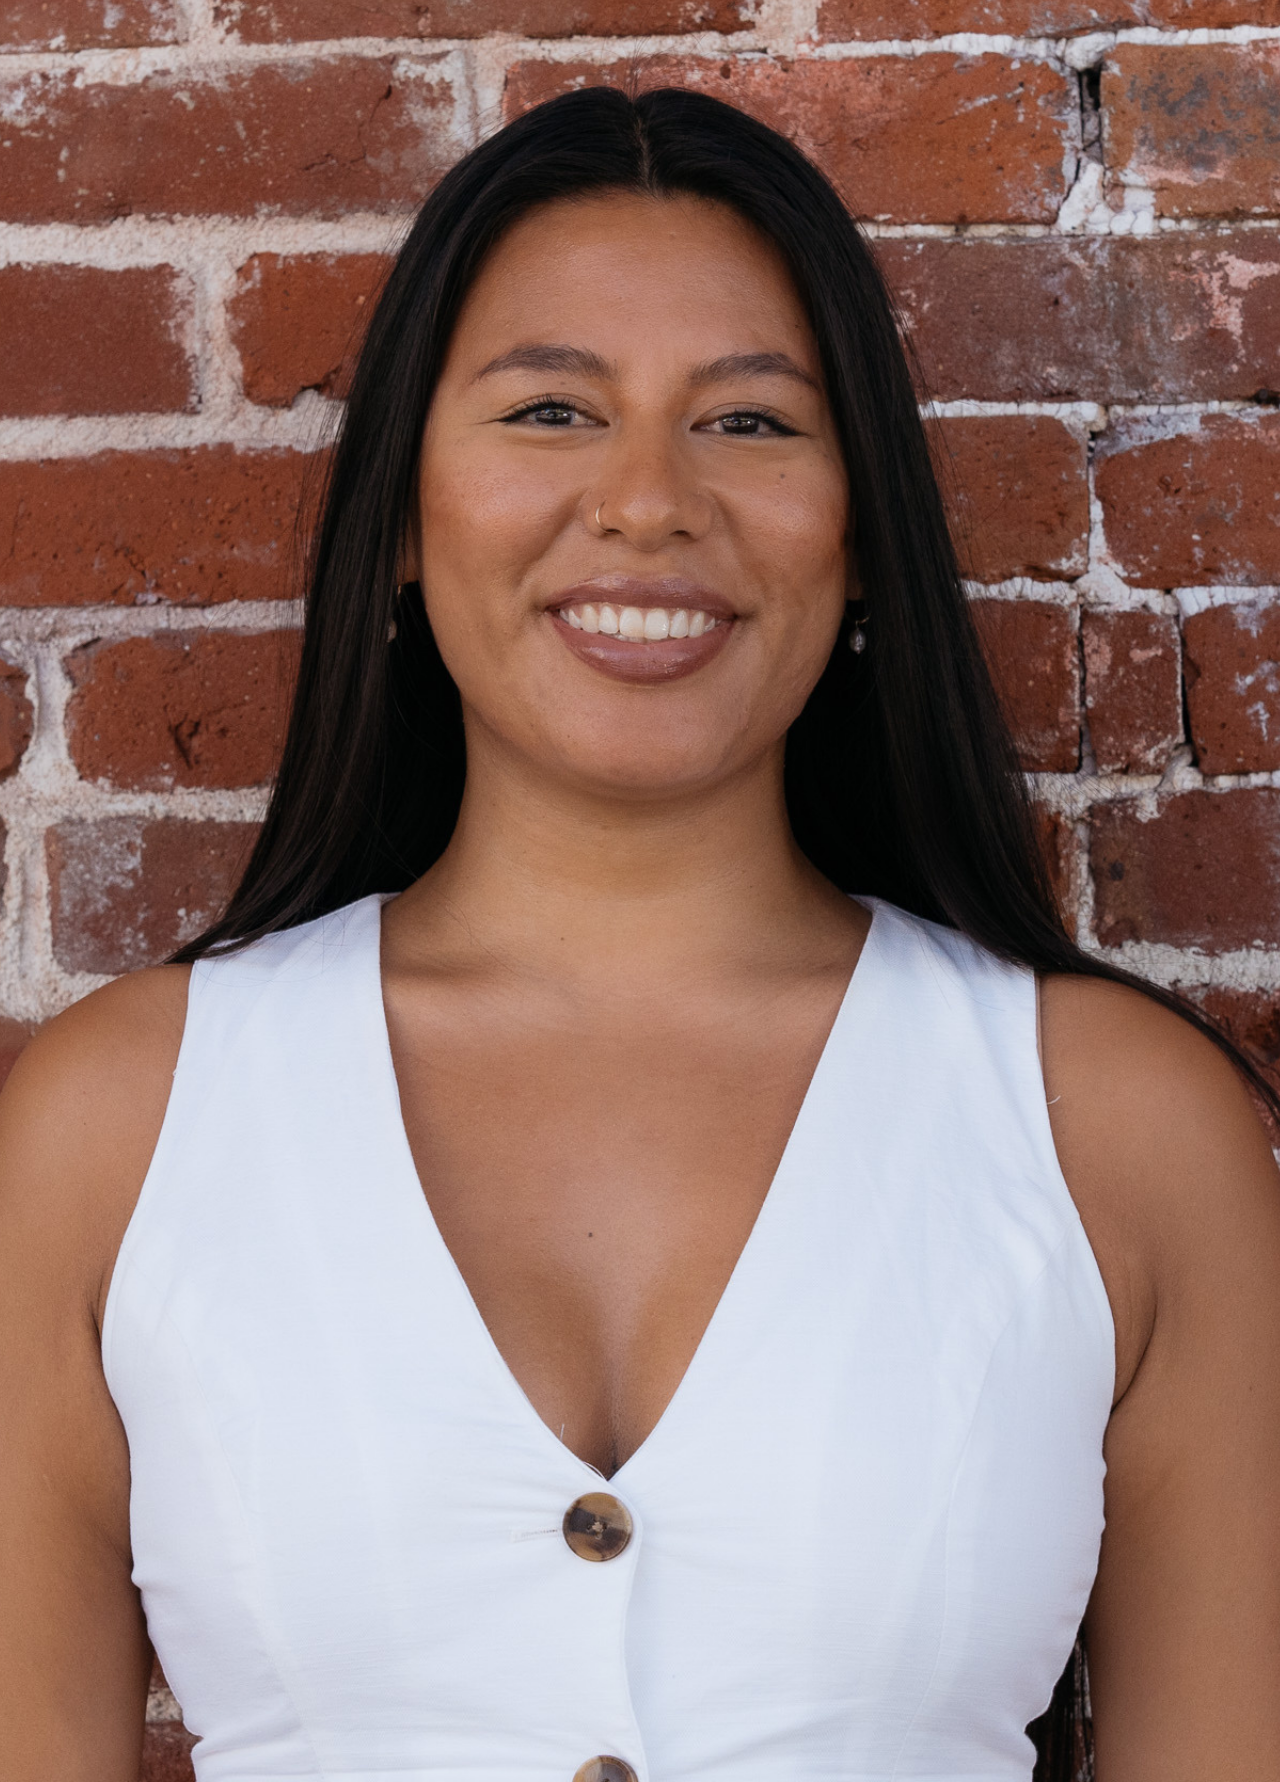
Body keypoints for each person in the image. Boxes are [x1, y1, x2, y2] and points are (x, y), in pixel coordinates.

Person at [1, 87, 1278, 1782]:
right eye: (548, 409)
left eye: (749, 425)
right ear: (402, 507)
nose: (647, 503)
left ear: (863, 530)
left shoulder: (1119, 1131)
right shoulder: (115, 1129)